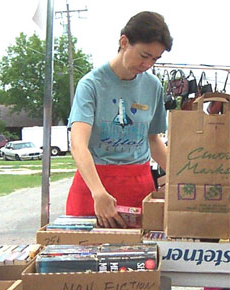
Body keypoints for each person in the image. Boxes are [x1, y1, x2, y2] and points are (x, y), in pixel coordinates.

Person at [66, 11, 173, 228]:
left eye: (155, 58)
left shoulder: (153, 87)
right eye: (144, 55)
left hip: (137, 186)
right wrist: (98, 192)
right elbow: (78, 144)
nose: (148, 64)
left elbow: (153, 140)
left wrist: (184, 176)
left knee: (139, 259)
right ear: (124, 42)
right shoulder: (91, 85)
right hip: (94, 186)